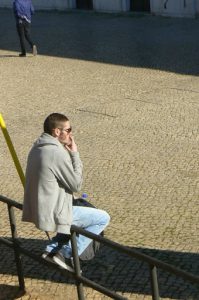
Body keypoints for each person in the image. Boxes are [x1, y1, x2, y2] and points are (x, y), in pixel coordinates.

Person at [22, 113, 110, 271]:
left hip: (37, 208)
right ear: (57, 132)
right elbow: (76, 184)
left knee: (74, 213)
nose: (71, 134)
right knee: (102, 218)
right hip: (52, 213)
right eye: (68, 130)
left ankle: (52, 249)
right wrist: (75, 154)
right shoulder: (56, 153)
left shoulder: (37, 147)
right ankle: (66, 254)